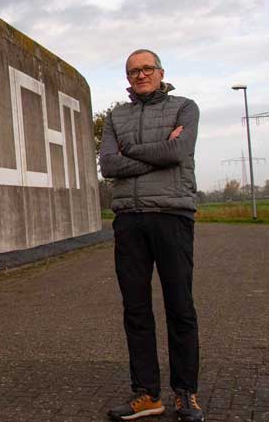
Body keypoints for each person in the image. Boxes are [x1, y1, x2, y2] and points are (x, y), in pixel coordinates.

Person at [99, 49, 204, 422]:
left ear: (160, 72)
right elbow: (109, 163)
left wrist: (135, 152)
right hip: (128, 219)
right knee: (136, 309)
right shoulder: (116, 116)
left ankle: (185, 394)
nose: (140, 75)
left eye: (146, 69)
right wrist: (157, 153)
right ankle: (146, 394)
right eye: (133, 71)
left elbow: (179, 151)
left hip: (171, 215)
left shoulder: (184, 108)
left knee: (180, 306)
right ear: (127, 78)